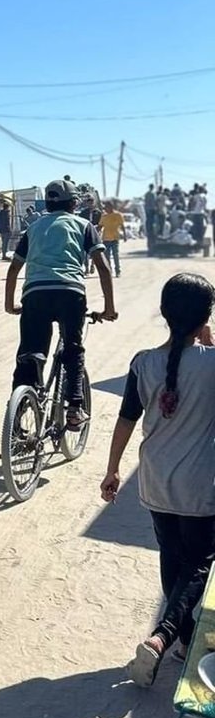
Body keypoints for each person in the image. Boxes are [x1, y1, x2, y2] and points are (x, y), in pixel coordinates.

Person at [100, 274, 215, 686]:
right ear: (207, 316)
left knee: (171, 556)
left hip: (154, 481)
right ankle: (163, 637)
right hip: (199, 486)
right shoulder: (212, 363)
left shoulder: (142, 362)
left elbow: (125, 419)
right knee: (199, 562)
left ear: (164, 315)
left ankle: (180, 639)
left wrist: (113, 470)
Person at [4, 179, 117, 430]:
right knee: (73, 350)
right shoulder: (84, 225)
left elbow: (13, 269)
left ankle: (18, 418)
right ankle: (75, 408)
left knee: (29, 354)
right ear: (74, 203)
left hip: (35, 294)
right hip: (70, 292)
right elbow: (103, 267)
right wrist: (109, 308)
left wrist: (9, 304)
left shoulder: (32, 228)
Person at [98, 201, 127, 278]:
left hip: (115, 238)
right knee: (106, 256)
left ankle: (118, 271)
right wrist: (96, 234)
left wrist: (125, 236)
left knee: (115, 255)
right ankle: (109, 271)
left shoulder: (118, 215)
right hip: (105, 239)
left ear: (111, 207)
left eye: (106, 207)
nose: (105, 209)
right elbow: (100, 226)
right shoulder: (104, 216)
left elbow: (122, 226)